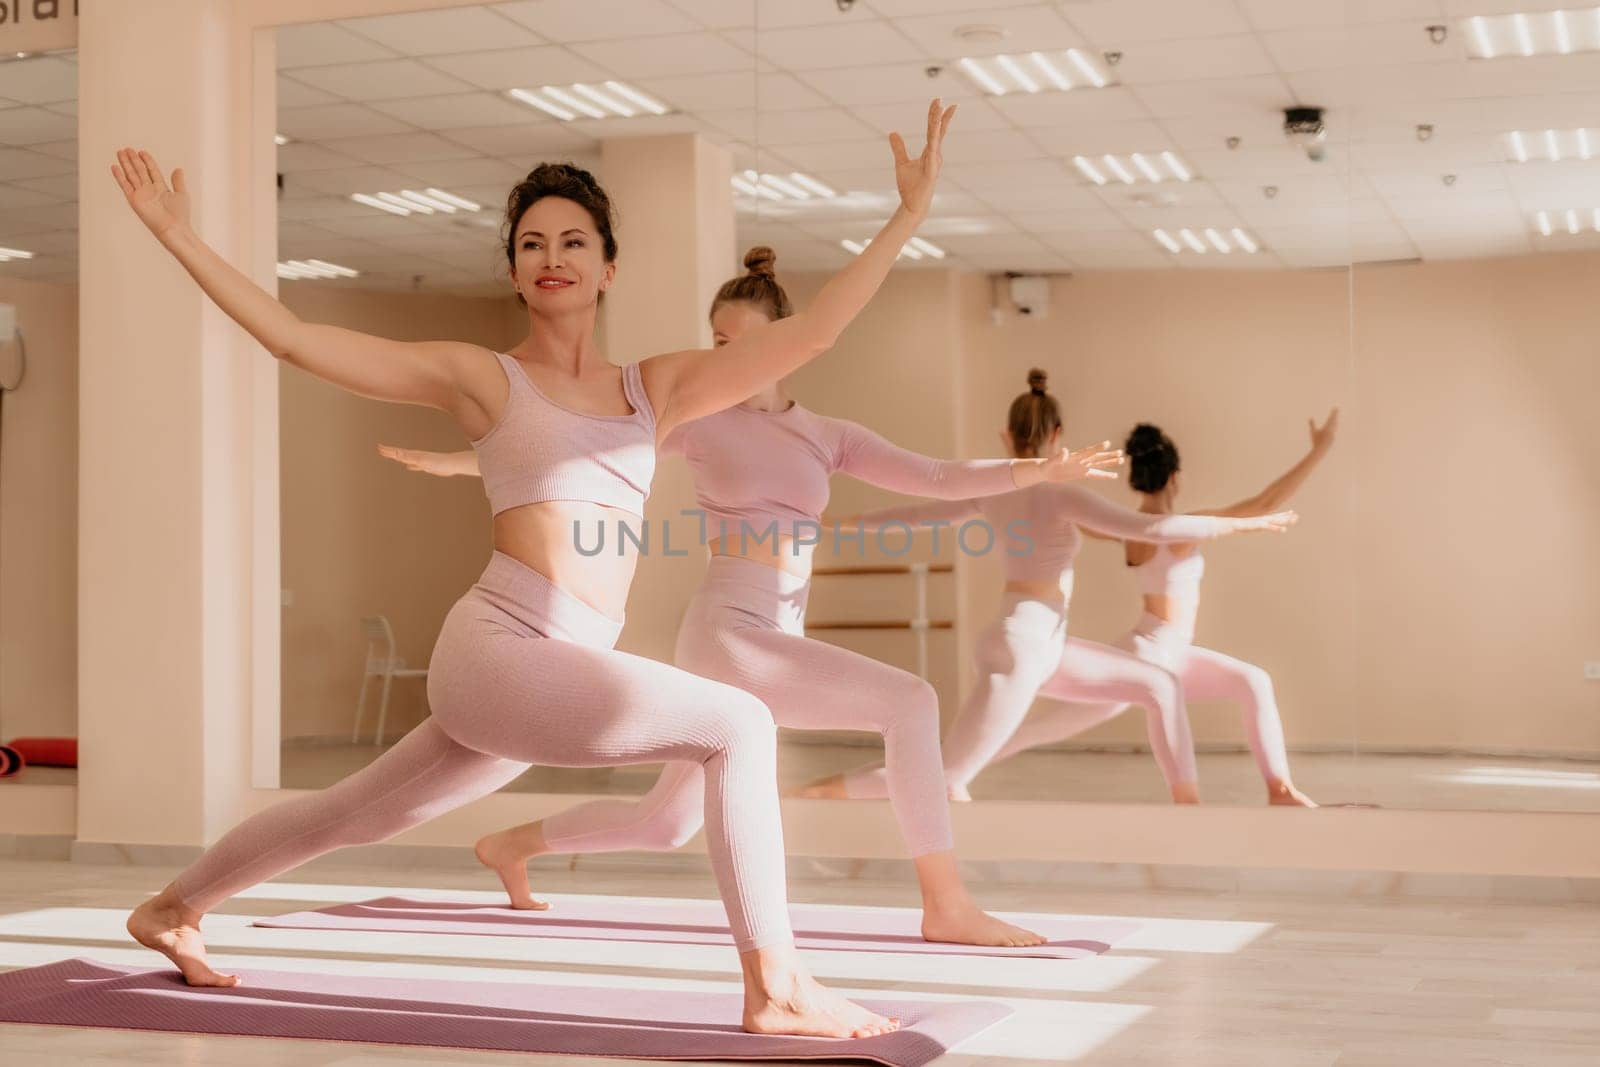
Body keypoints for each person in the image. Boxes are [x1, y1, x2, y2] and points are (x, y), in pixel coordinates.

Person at [112, 97, 956, 1039]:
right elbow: (294, 339)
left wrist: (906, 217)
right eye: (531, 243)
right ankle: (777, 986)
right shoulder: (484, 376)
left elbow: (809, 336)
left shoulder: (656, 387)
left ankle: (172, 907)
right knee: (740, 725)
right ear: (515, 269)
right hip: (502, 644)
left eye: (573, 240)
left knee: (352, 812)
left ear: (606, 265)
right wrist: (177, 236)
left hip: (558, 663)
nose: (552, 256)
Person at [381, 247, 1122, 948]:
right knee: (912, 701)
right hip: (730, 632)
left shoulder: (827, 435)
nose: (723, 354)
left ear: (783, 343)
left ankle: (510, 843)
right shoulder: (699, 422)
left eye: (739, 340)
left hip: (772, 631)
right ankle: (946, 905)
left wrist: (1036, 473)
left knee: (664, 824)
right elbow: (577, 450)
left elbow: (935, 477)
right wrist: (461, 461)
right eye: (716, 339)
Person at [803, 370, 1296, 805]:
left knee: (1159, 685)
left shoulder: (990, 489)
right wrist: (1245, 526)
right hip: (1026, 644)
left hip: (1037, 641)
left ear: (1006, 436)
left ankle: (1188, 807)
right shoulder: (1061, 495)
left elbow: (913, 518)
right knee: (948, 774)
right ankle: (811, 794)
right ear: (1058, 436)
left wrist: (836, 524)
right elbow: (1151, 530)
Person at [985, 413, 1339, 807]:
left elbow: (1063, 513)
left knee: (1253, 681)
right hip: (1149, 654)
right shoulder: (1180, 528)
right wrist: (1320, 449)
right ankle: (949, 771)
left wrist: (1032, 466)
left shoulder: (1127, 526)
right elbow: (1264, 503)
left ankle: (1280, 789)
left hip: (1164, 651)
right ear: (1175, 477)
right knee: (1039, 730)